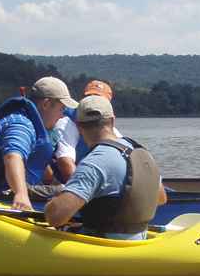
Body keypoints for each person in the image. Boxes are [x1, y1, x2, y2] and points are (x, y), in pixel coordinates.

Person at [45, 95, 167, 240]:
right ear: (112, 120)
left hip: (105, 245)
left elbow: (55, 217)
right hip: (139, 240)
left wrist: (53, 202)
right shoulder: (140, 151)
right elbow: (161, 198)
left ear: (78, 125)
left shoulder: (93, 163)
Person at [0, 76, 78, 210]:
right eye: (61, 109)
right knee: (74, 194)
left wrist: (55, 183)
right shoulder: (20, 125)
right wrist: (21, 194)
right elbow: (12, 157)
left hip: (12, 188)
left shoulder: (32, 123)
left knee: (64, 189)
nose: (62, 116)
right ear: (46, 104)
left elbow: (39, 164)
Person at [51, 79, 121, 181]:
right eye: (90, 97)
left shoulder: (111, 129)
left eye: (99, 100)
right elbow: (65, 162)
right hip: (65, 182)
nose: (94, 102)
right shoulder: (66, 123)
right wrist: (81, 189)